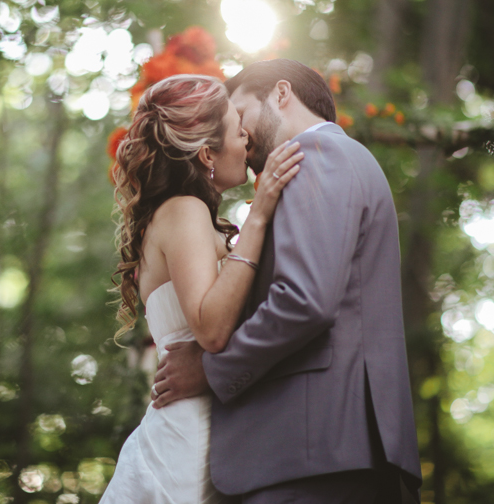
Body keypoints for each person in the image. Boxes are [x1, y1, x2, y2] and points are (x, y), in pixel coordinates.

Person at [151, 59, 423, 503]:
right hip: (327, 452)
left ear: (281, 94)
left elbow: (303, 300)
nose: (238, 135)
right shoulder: (326, 161)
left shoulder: (315, 154)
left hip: (315, 452)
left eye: (240, 116)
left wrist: (209, 368)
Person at [100, 74, 305, 504]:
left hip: (210, 433)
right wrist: (260, 215)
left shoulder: (188, 216)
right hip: (186, 448)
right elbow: (211, 330)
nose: (247, 136)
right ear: (207, 152)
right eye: (237, 129)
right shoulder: (184, 210)